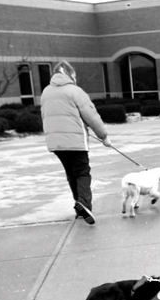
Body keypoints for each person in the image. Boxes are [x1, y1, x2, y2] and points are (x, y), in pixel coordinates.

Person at [41, 60, 110, 225]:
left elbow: (45, 116)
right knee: (82, 173)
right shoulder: (75, 91)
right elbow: (91, 115)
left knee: (72, 174)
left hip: (55, 142)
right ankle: (84, 204)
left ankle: (80, 207)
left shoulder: (46, 92)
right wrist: (103, 135)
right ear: (71, 74)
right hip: (76, 142)